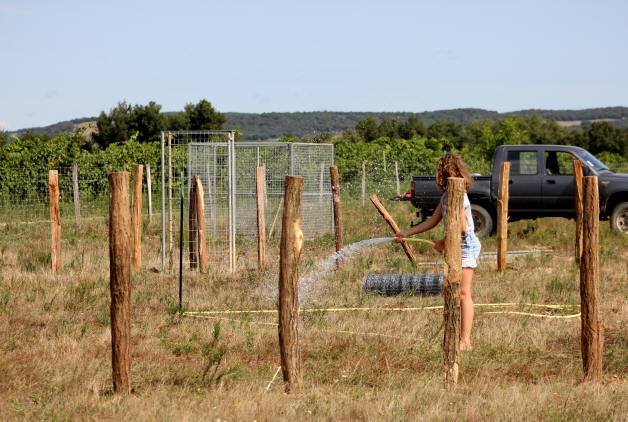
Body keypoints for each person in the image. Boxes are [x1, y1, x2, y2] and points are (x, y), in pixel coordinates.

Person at [395, 154, 481, 351]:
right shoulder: (446, 195)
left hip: (465, 245)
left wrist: (443, 242)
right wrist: (406, 233)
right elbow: (432, 221)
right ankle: (458, 337)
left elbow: (461, 228)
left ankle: (465, 341)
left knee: (463, 294)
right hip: (456, 244)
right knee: (455, 292)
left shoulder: (458, 195)